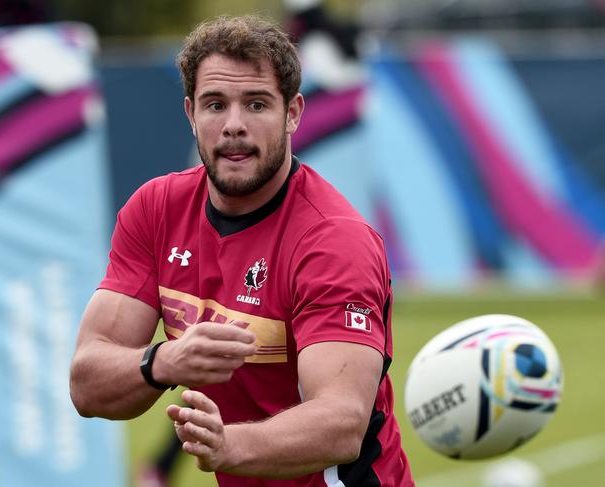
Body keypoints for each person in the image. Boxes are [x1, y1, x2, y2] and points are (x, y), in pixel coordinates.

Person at [69, 15, 414, 486]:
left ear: (293, 113)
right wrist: (163, 361)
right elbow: (87, 383)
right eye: (215, 105)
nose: (234, 125)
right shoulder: (155, 210)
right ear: (190, 113)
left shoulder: (334, 240)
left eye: (256, 104)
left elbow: (341, 423)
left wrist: (229, 445)